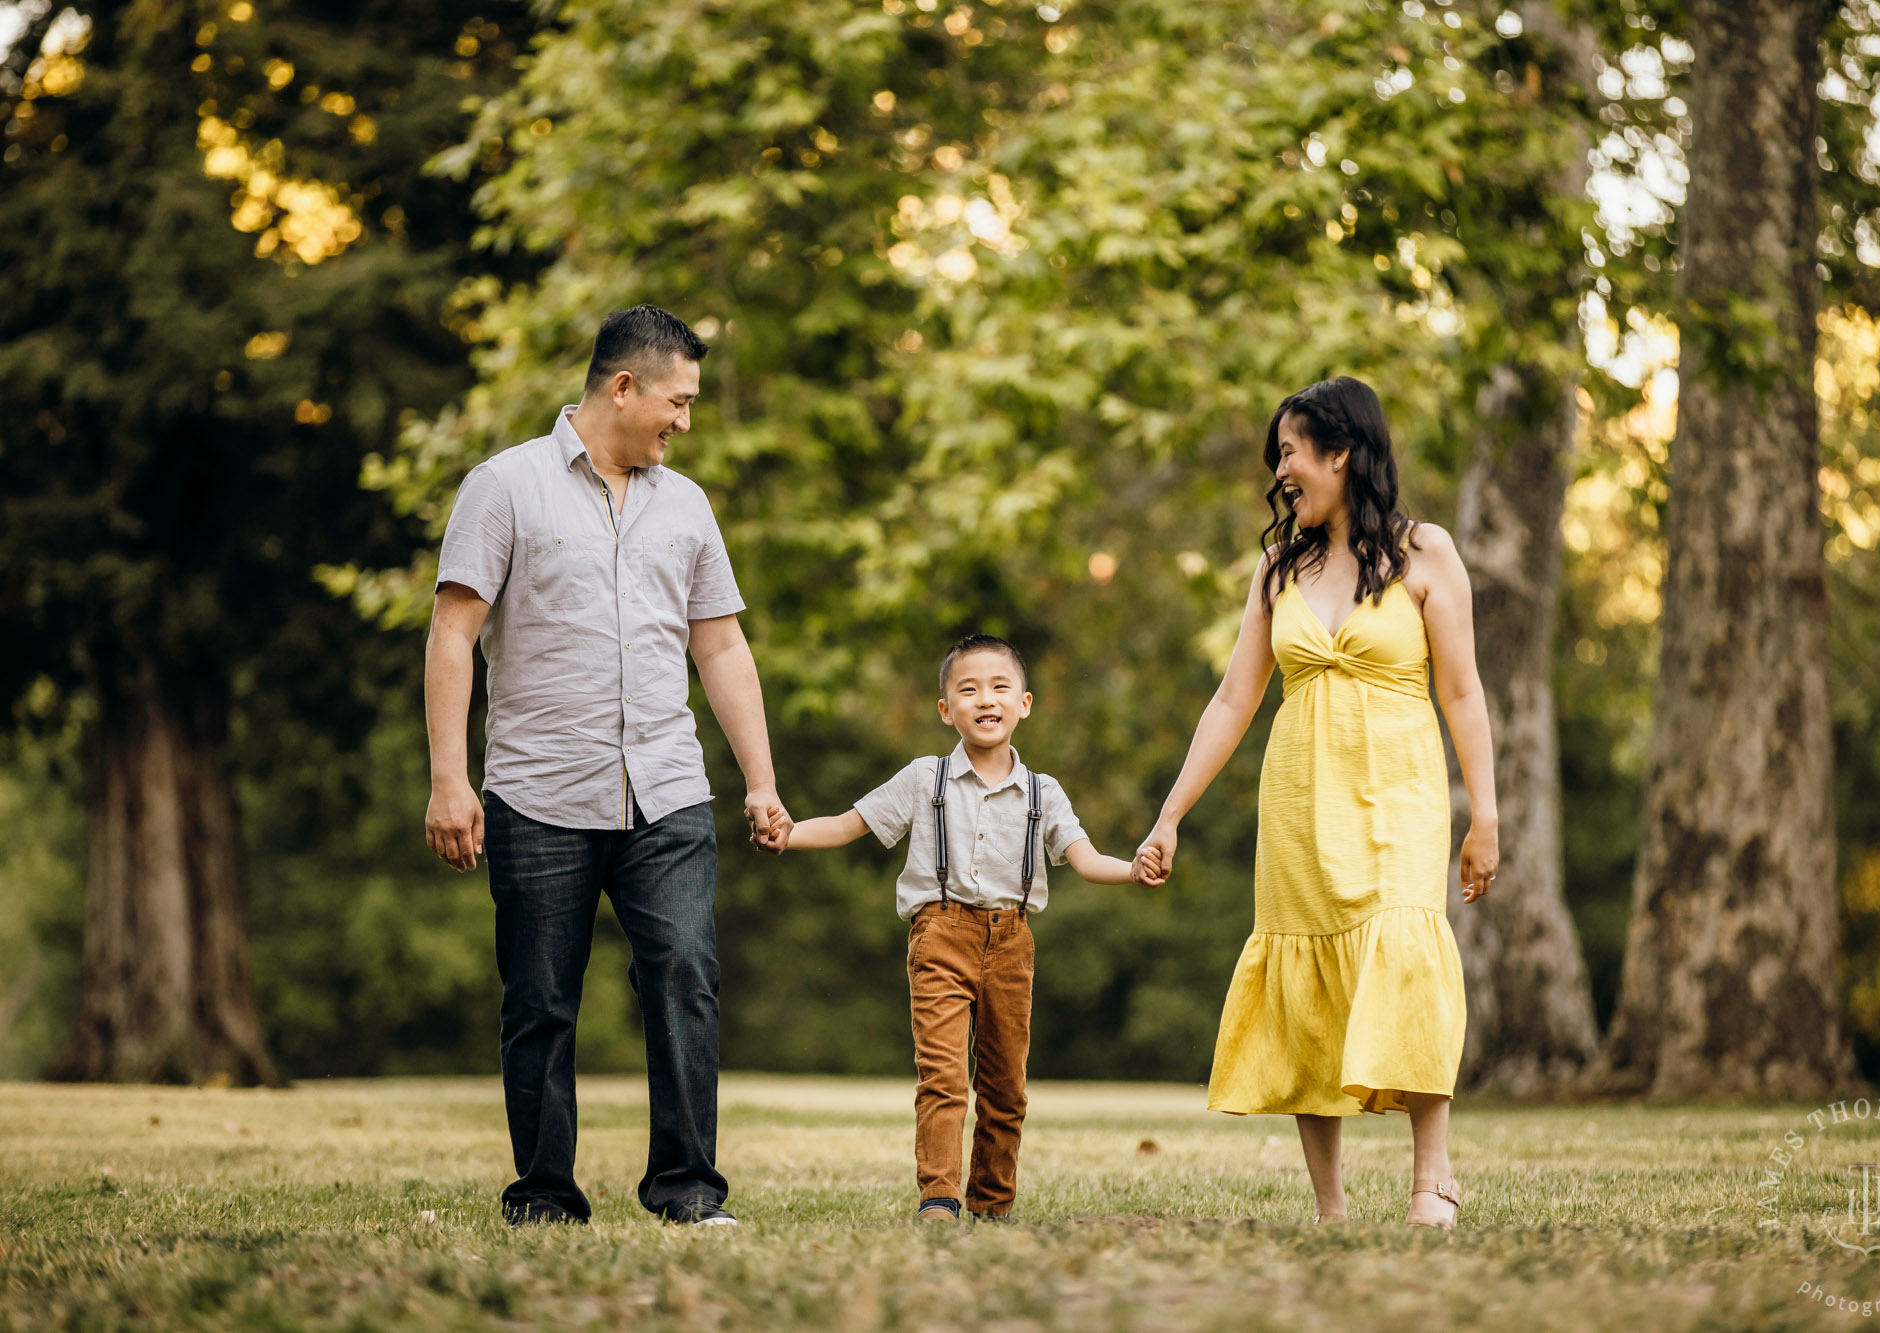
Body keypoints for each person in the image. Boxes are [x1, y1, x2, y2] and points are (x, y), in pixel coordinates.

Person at [423, 304, 792, 1228]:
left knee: (685, 976)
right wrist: (449, 777)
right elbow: (453, 632)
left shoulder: (688, 504)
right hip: (539, 789)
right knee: (541, 998)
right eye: (679, 400)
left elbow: (721, 649)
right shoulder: (503, 487)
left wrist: (760, 779)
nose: (686, 421)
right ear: (622, 387)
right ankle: (544, 1192)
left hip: (666, 789)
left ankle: (687, 1189)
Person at [1136, 376, 1497, 1230]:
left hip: (1400, 790)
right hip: (1300, 795)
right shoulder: (1278, 567)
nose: (1281, 469)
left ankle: (1432, 1176)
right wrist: (1170, 813)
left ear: (1343, 452)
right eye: (1278, 456)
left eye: (1292, 450)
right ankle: (1330, 1205)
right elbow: (1232, 701)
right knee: (1306, 979)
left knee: (1405, 952)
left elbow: (1465, 691)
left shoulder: (1427, 553)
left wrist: (1487, 811)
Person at [784, 634, 1157, 1222]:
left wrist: (1132, 869)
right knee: (944, 1077)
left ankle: (992, 1204)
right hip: (941, 933)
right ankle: (939, 1197)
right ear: (945, 709)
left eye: (999, 687)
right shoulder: (923, 779)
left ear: (1025, 703)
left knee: (1006, 1087)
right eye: (969, 689)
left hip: (1012, 944)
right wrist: (788, 831)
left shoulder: (1044, 792)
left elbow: (1084, 859)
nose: (986, 699)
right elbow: (848, 824)